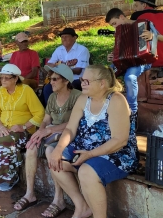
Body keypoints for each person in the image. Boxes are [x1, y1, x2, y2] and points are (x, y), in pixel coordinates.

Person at [48, 65, 138, 218]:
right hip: (86, 147)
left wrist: (89, 155)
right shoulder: (84, 98)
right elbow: (70, 129)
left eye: (86, 81)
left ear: (102, 83)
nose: (82, 83)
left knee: (86, 171)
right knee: (52, 155)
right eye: (82, 80)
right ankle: (81, 206)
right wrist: (58, 150)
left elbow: (120, 140)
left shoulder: (116, 100)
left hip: (116, 153)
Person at [13, 64, 81, 214]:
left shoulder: (77, 96)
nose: (51, 82)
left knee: (51, 151)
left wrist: (50, 130)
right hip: (50, 133)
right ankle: (30, 194)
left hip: (67, 135)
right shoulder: (51, 97)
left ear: (66, 81)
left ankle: (59, 199)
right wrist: (41, 131)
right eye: (50, 78)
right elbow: (46, 118)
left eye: (55, 79)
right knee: (31, 147)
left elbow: (74, 123)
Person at [0, 64, 45, 191]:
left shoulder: (26, 90)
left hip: (23, 131)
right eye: (2, 78)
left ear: (15, 78)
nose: (3, 81)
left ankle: (9, 178)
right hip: (3, 127)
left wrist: (24, 126)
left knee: (3, 142)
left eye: (7, 78)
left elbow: (40, 113)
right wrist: (1, 127)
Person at [105, 8, 160, 115]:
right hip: (126, 61)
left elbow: (158, 39)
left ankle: (133, 111)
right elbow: (119, 50)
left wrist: (153, 36)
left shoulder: (144, 23)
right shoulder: (119, 32)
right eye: (112, 25)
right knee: (104, 75)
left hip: (143, 60)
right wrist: (113, 56)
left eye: (114, 23)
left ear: (121, 17)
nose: (114, 27)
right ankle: (107, 107)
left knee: (130, 77)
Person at [42, 28, 90, 106]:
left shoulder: (82, 50)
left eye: (66, 36)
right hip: (60, 79)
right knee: (47, 88)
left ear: (74, 38)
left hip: (77, 79)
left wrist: (61, 68)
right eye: (62, 37)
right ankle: (50, 111)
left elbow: (78, 71)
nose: (63, 39)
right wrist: (61, 66)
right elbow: (49, 64)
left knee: (70, 86)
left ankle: (69, 110)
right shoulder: (59, 49)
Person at [131, 0, 163, 67]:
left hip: (149, 63)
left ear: (144, 5)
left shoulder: (136, 16)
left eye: (136, 5)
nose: (135, 9)